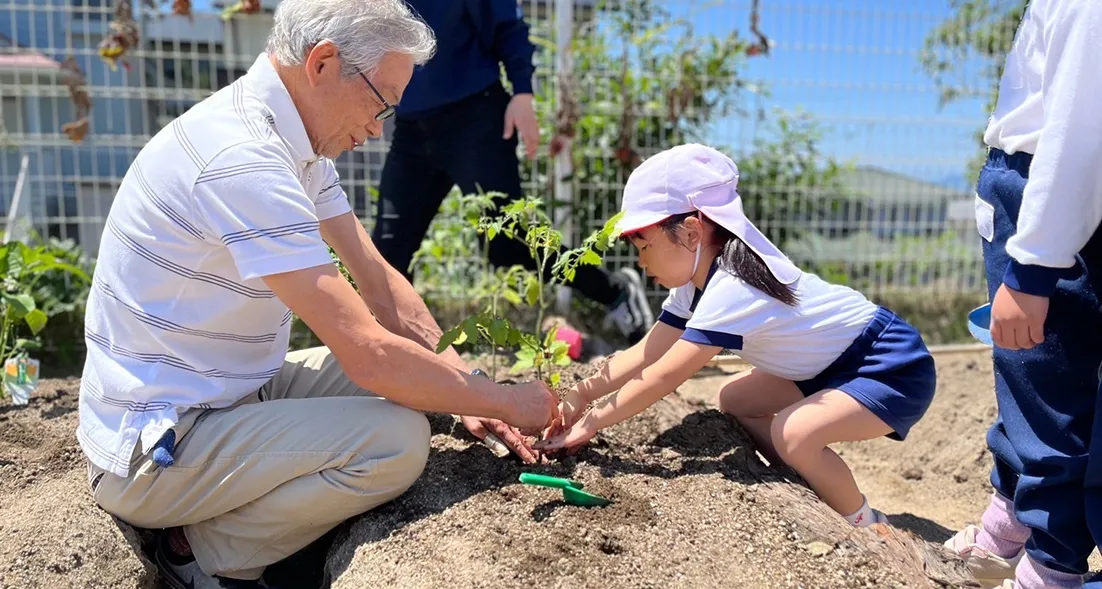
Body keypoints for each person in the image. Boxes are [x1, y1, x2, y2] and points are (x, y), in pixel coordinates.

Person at [76, 1, 560, 587]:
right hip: (156, 447)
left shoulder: (294, 141)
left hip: (226, 392)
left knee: (421, 384)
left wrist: (468, 387)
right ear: (323, 63)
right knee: (396, 441)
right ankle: (197, 552)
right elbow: (368, 353)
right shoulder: (243, 159)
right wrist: (508, 402)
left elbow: (379, 282)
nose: (379, 128)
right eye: (381, 101)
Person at [535, 143, 938, 529]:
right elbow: (647, 353)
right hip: (826, 365)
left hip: (886, 363)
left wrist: (592, 423)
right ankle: (805, 477)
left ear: (691, 232)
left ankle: (864, 523)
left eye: (644, 245)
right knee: (736, 400)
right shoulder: (695, 283)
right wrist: (582, 395)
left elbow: (663, 376)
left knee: (794, 433)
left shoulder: (734, 286)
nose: (640, 262)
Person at [370, 0, 654, 343]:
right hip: (410, 129)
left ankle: (615, 291)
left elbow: (507, 24)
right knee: (388, 251)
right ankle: (397, 351)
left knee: (507, 245)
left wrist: (522, 92)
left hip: (475, 117)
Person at [941, 1, 1102, 588]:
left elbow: (1080, 127)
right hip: (1043, 193)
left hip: (1047, 195)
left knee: (1047, 387)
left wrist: (1034, 267)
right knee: (1028, 382)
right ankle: (1009, 525)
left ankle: (1050, 567)